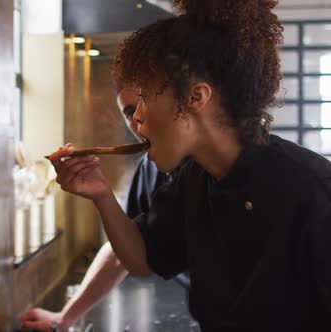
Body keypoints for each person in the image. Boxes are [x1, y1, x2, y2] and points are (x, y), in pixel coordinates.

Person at [48, 0, 331, 331]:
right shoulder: (195, 180)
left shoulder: (311, 191)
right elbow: (142, 259)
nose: (136, 117)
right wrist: (102, 196)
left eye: (144, 98)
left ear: (196, 97)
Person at [18, 88, 173, 331]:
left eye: (147, 102)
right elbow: (126, 252)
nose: (139, 119)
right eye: (130, 111)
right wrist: (64, 318)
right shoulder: (151, 169)